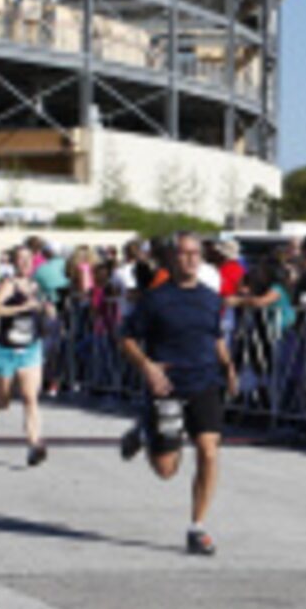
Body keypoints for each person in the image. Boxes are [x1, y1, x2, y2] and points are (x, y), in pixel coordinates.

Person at [118, 233, 239, 556]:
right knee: (166, 470)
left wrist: (228, 367)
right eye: (184, 254)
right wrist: (147, 367)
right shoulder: (155, 299)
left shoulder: (211, 299)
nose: (190, 259)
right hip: (167, 388)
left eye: (195, 254)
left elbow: (215, 338)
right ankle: (145, 431)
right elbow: (126, 339)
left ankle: (197, 528)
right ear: (172, 259)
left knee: (208, 451)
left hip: (204, 382)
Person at [0, 242, 53, 465]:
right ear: (13, 262)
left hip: (30, 349)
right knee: (3, 400)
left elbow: (45, 307)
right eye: (20, 259)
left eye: (28, 258)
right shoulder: (9, 285)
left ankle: (33, 445)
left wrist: (47, 310)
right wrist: (21, 308)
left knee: (30, 398)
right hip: (5, 351)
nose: (25, 262)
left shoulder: (37, 285)